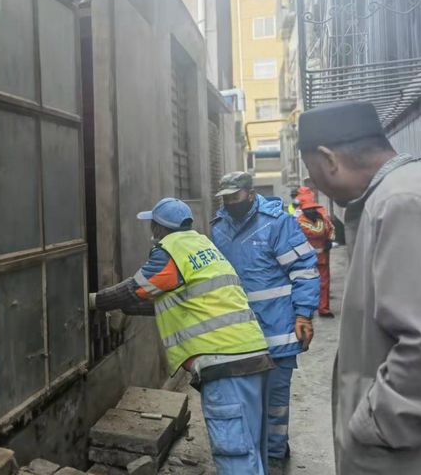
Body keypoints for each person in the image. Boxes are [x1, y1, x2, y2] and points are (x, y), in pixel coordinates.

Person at [298, 100, 421, 474]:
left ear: (329, 159)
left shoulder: (403, 204)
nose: (315, 185)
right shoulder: (410, 190)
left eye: (312, 173)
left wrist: (374, 424)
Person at [89, 198, 274, 474]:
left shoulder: (170, 252)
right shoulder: (203, 246)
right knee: (251, 446)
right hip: (255, 356)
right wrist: (126, 308)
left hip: (223, 364)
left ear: (158, 227)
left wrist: (95, 301)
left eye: (152, 225)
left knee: (234, 452)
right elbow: (179, 301)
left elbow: (135, 289)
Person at [210, 172, 320, 465]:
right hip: (238, 335)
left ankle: (274, 456)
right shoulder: (219, 229)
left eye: (235, 197)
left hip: (278, 332)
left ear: (250, 193)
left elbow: (304, 269)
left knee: (275, 402)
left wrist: (304, 314)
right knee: (245, 402)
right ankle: (253, 456)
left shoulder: (277, 223)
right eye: (225, 198)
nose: (230, 203)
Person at [295, 198, 334, 317]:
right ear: (303, 210)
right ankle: (306, 311)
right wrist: (322, 220)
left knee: (324, 284)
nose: (311, 211)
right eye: (308, 209)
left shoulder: (321, 218)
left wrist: (330, 239)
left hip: (322, 257)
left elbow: (331, 229)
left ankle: (324, 309)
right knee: (307, 285)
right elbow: (317, 231)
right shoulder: (299, 221)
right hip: (306, 259)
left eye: (313, 208)